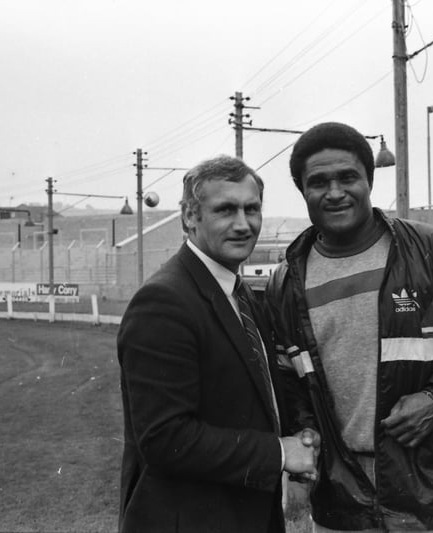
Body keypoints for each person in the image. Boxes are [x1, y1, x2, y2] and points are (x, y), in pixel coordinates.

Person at [265, 123, 433, 532]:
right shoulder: (285, 281)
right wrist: (306, 433)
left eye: (348, 177)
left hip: (428, 488)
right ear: (301, 190)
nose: (335, 192)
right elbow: (289, 380)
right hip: (340, 495)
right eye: (319, 182)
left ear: (369, 180)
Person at [117, 155, 319, 533]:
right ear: (189, 218)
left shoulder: (241, 295)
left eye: (252, 209)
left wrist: (300, 434)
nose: (243, 224)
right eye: (225, 210)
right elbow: (165, 439)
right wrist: (279, 453)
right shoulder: (163, 302)